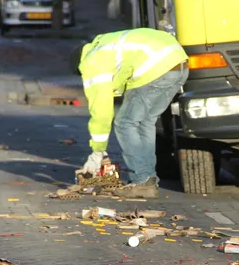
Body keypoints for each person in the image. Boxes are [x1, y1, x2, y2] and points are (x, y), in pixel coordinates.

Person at [69, 28, 188, 199]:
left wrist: (97, 151)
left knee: (125, 122)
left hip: (154, 67)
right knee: (145, 121)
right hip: (179, 63)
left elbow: (101, 111)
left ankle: (142, 181)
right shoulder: (105, 44)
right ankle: (148, 179)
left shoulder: (92, 62)